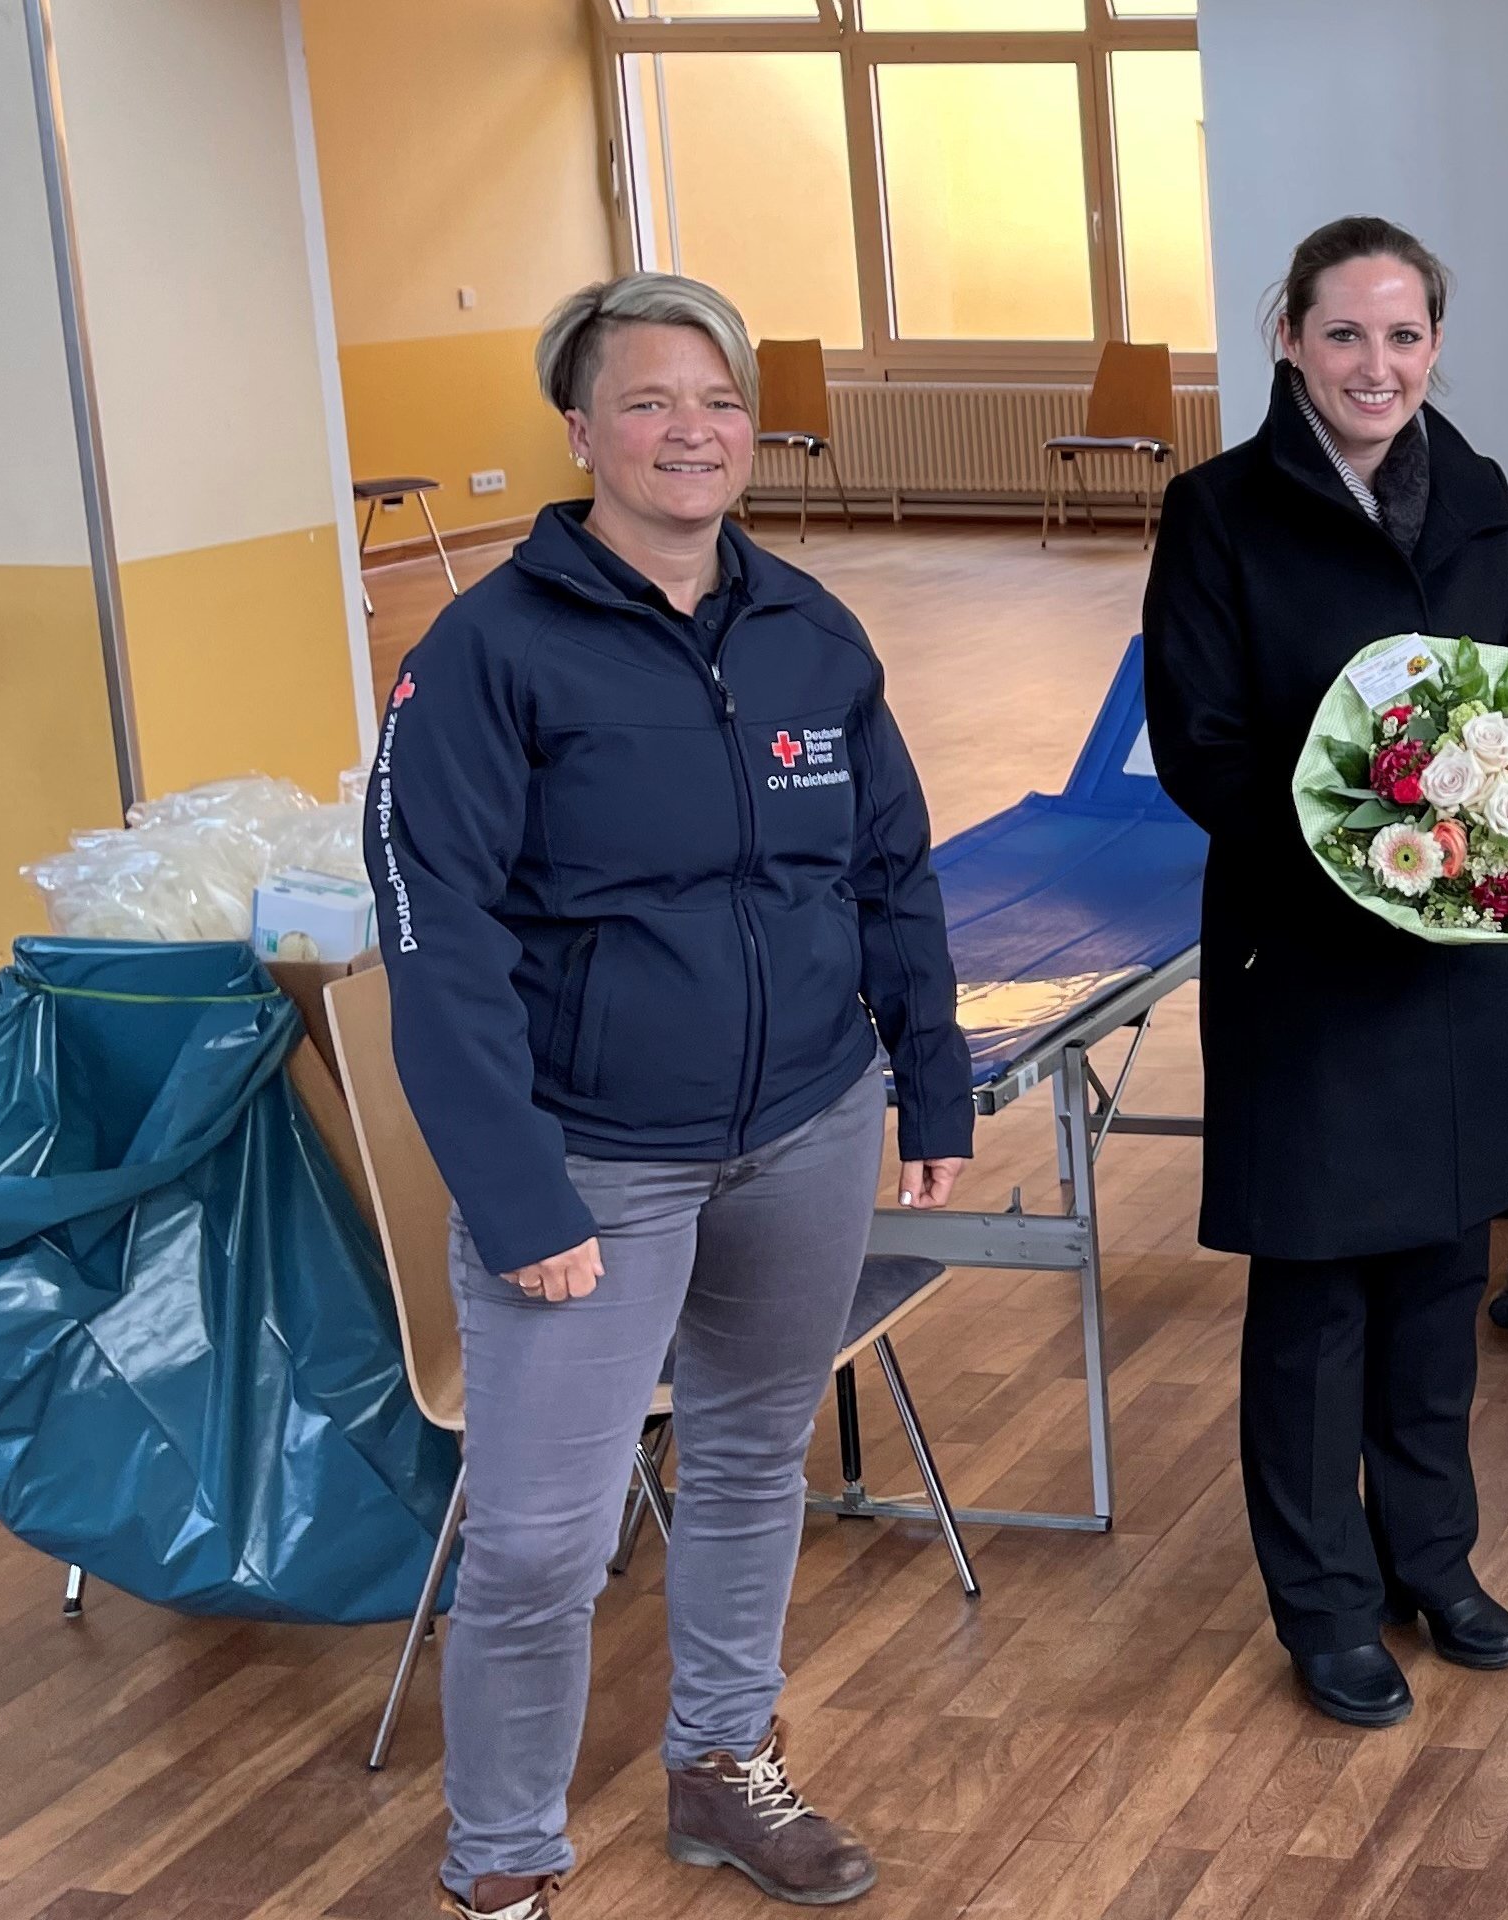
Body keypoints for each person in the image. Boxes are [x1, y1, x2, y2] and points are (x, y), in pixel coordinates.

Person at [370, 272, 968, 1920]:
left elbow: (892, 865)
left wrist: (929, 1082)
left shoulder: (807, 631)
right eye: (648, 400)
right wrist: (515, 1190)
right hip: (590, 1161)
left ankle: (717, 1765)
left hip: (809, 1119)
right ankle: (499, 1867)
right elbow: (437, 941)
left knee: (756, 1458)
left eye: (716, 400)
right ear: (581, 433)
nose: (691, 431)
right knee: (542, 1542)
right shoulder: (484, 654)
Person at [1142, 217, 1508, 1729]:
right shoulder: (1220, 513)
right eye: (1347, 335)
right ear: (1291, 342)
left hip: (1459, 966)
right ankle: (1322, 1601)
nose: (1378, 364)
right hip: (1307, 955)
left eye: (1404, 336)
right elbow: (1205, 747)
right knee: (1318, 1300)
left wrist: (1503, 863)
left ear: (1433, 346)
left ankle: (1431, 1557)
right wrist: (1366, 863)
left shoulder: (1486, 494)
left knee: (1445, 1275)